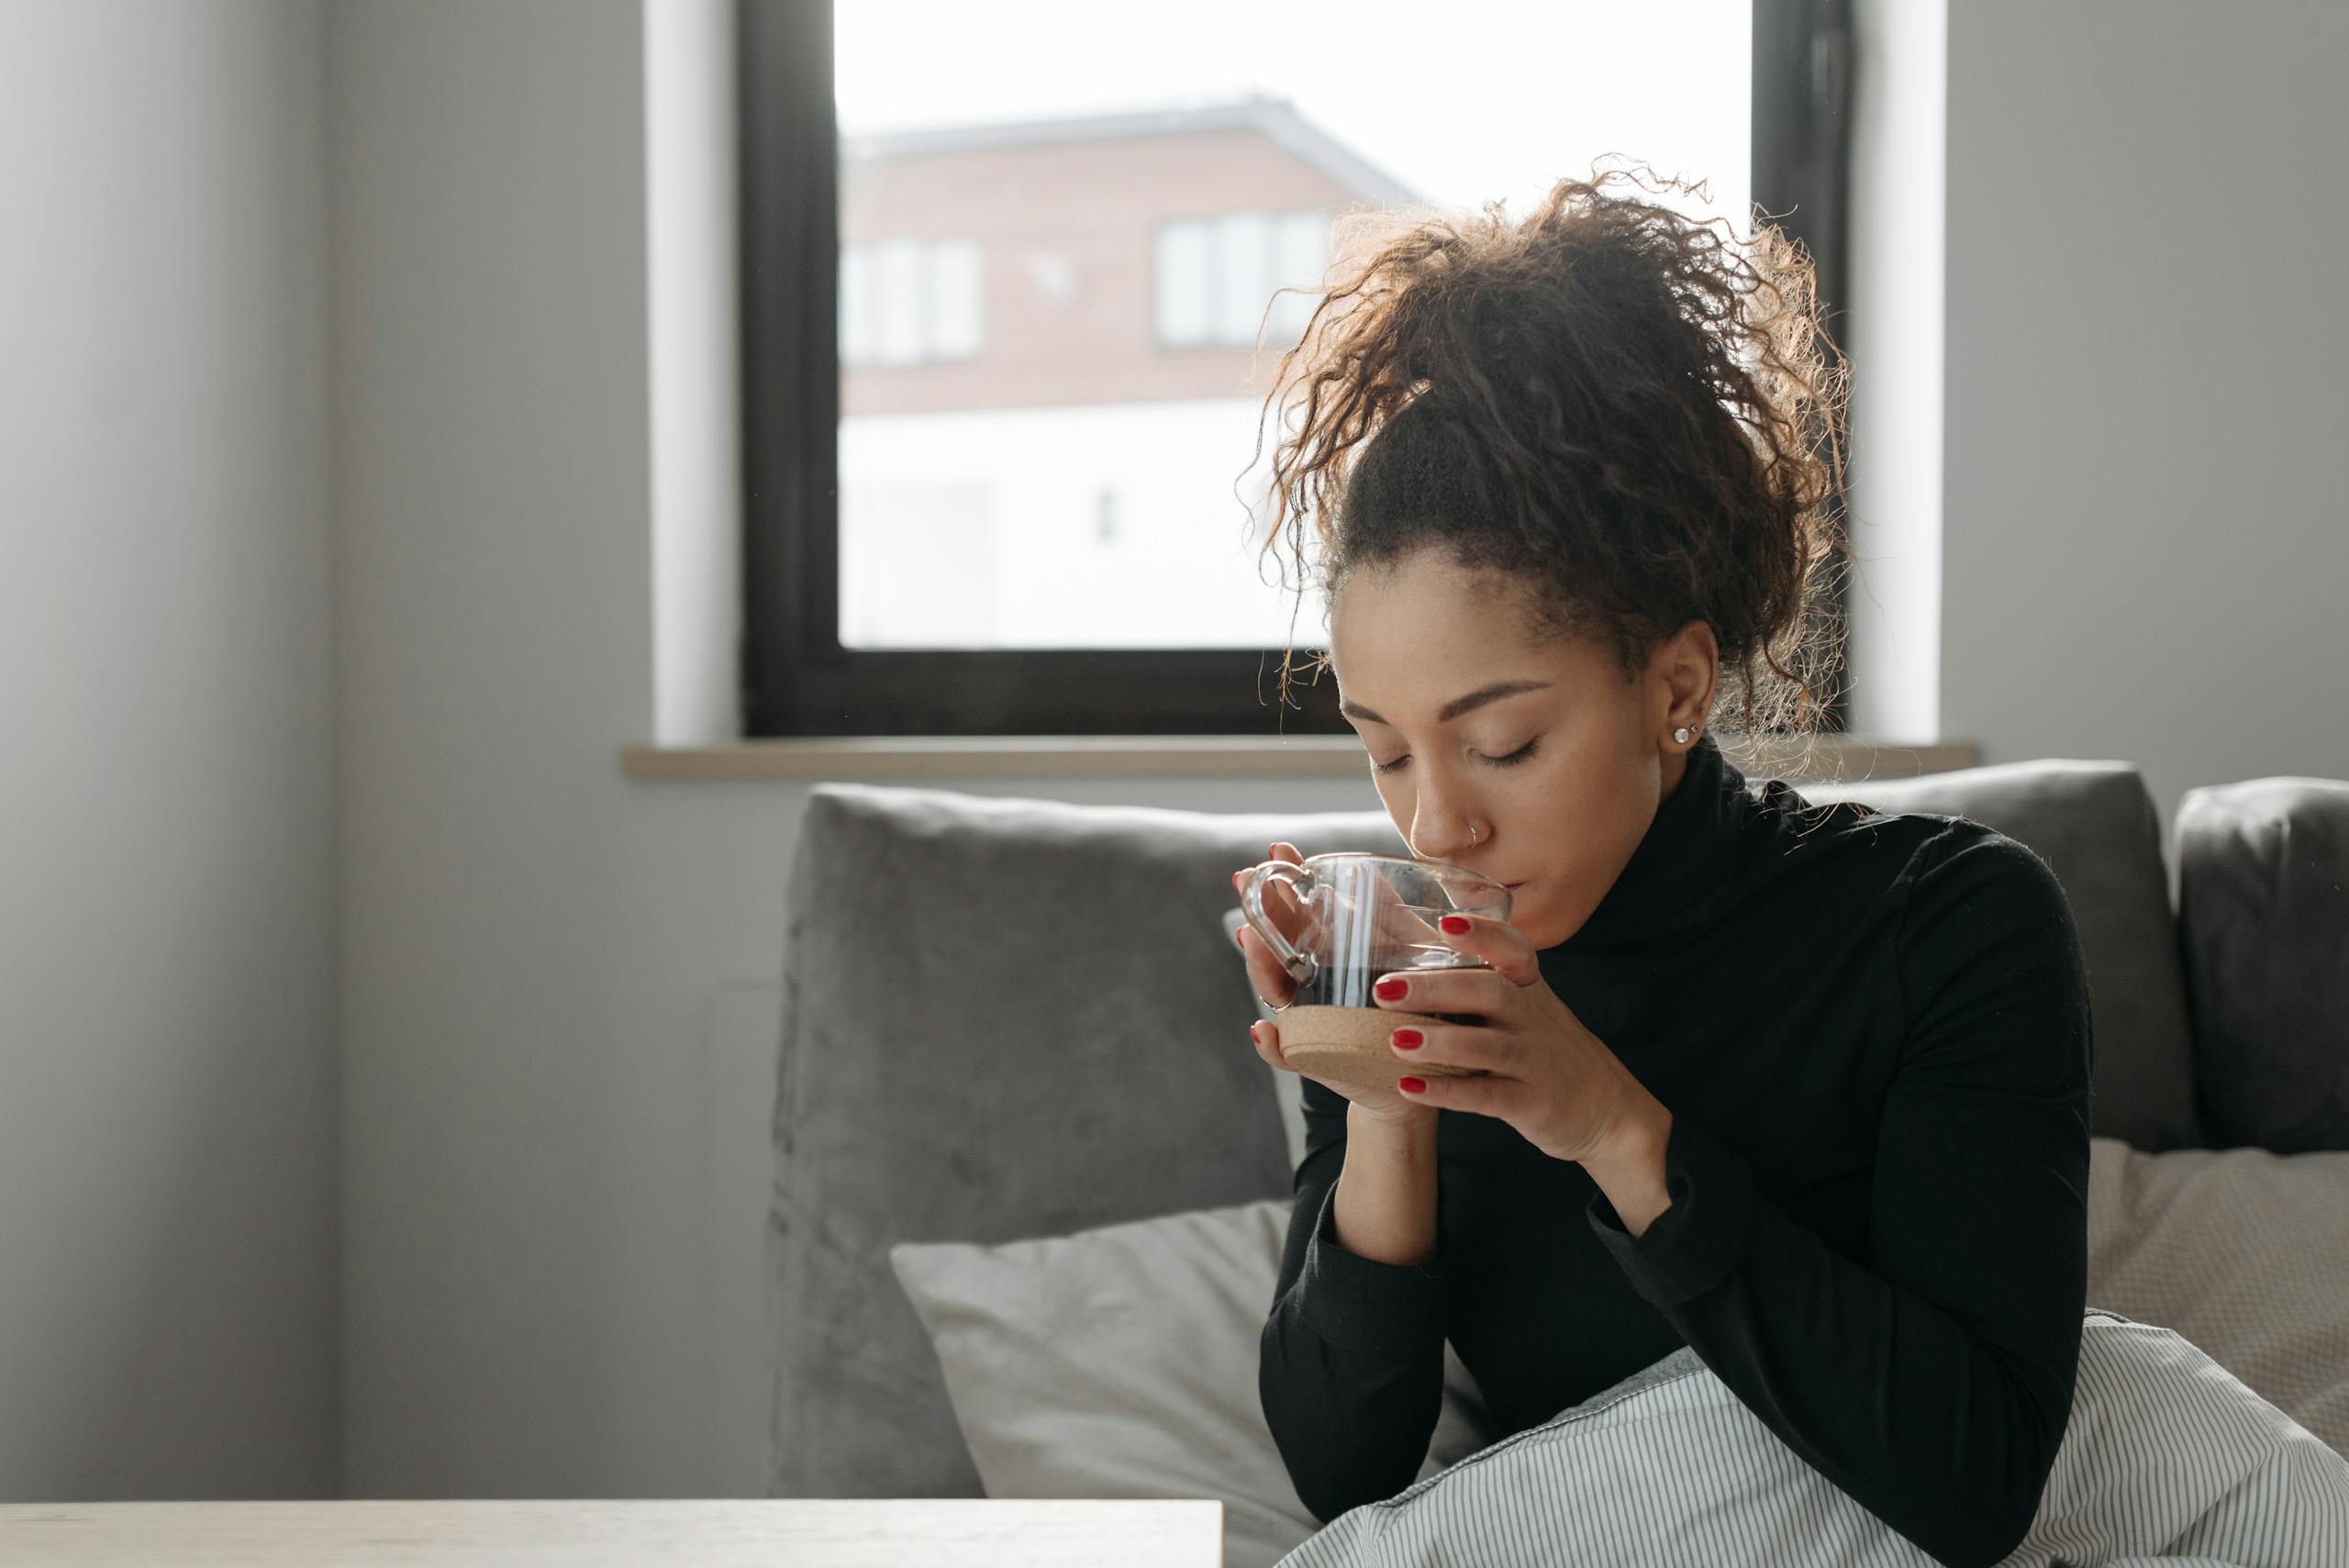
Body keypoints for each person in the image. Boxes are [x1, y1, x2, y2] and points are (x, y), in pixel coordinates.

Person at [1231, 162, 2093, 1568]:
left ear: (1674, 685)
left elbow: (1977, 1473)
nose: (1434, 825)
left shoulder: (1951, 926)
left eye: (1500, 742)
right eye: (1385, 749)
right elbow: (1348, 1478)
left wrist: (1610, 1123)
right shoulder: (1425, 976)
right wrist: (1383, 1111)